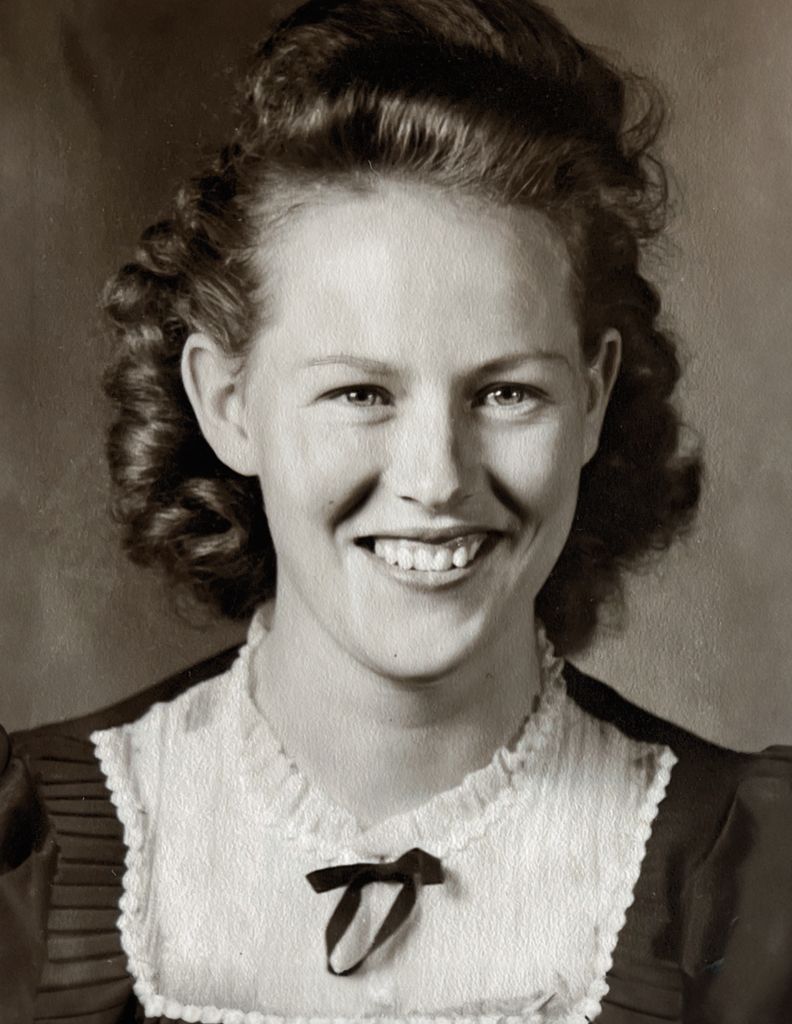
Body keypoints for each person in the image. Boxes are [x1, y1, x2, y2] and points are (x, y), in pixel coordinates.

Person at [1, 0, 790, 1021]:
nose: (437, 477)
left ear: (593, 397)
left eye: (505, 392)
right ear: (228, 403)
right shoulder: (25, 866)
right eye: (360, 393)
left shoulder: (752, 886)